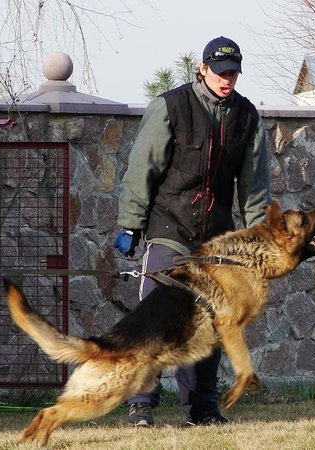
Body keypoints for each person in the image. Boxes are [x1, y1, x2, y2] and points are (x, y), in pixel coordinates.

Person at [113, 36, 271, 428]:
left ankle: (201, 409)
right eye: (220, 72)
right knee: (155, 319)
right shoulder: (170, 106)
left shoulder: (247, 117)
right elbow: (141, 169)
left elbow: (255, 188)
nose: (227, 80)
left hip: (215, 238)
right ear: (202, 70)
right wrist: (131, 225)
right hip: (169, 226)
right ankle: (140, 403)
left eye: (233, 73)